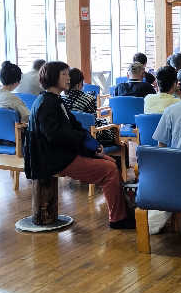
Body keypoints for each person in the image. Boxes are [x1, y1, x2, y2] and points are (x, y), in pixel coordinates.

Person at [23, 61, 133, 229]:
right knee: (109, 170)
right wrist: (85, 144)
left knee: (111, 162)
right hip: (51, 159)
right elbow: (56, 136)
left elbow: (75, 126)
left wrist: (93, 144)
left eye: (68, 74)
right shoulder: (47, 103)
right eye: (64, 74)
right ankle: (118, 218)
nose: (68, 78)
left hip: (60, 153)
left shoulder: (55, 100)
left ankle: (123, 213)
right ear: (53, 77)